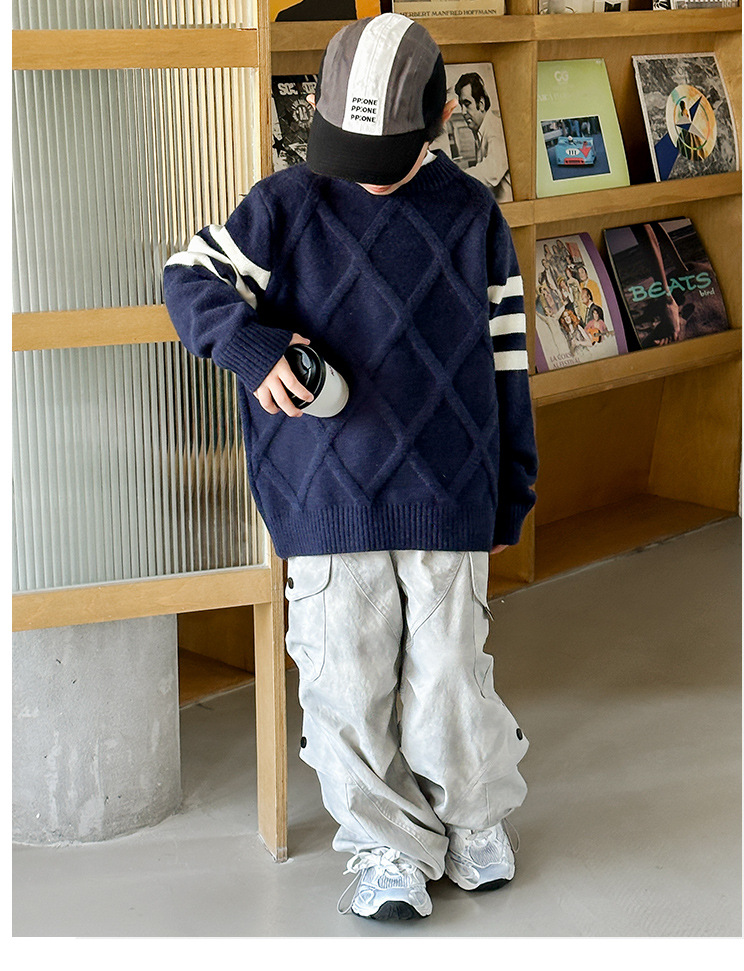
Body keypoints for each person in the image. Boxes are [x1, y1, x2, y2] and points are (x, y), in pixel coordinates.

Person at [163, 12, 537, 923]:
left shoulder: (473, 215)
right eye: (347, 148)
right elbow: (186, 276)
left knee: (452, 673)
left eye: (385, 154)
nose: (364, 172)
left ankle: (474, 816)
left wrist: (512, 488)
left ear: (439, 119)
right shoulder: (285, 205)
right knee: (344, 679)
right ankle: (386, 843)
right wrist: (253, 350)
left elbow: (506, 361)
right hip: (325, 497)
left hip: (448, 490)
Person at [452, 71, 512, 203]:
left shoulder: (495, 129)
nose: (463, 112)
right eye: (461, 105)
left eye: (467, 104)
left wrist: (454, 178)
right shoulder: (481, 130)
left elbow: (492, 171)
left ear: (481, 104)